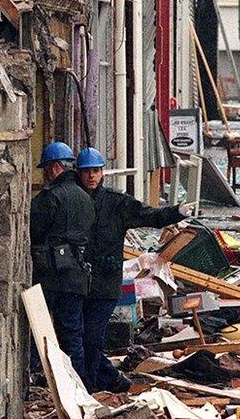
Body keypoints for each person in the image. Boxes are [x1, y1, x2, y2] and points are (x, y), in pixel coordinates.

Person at [76, 147, 196, 392]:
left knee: (91, 338)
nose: (91, 176)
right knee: (80, 339)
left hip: (105, 284)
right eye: (87, 171)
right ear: (78, 173)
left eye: (96, 171)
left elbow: (147, 215)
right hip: (78, 283)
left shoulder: (115, 202)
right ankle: (109, 381)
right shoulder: (72, 200)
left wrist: (175, 212)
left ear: (103, 173)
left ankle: (95, 385)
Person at [30, 141, 96, 388]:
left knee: (40, 333)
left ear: (55, 167)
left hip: (49, 277)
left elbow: (32, 230)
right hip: (76, 277)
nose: (45, 174)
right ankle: (79, 389)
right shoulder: (87, 199)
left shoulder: (49, 198)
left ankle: (35, 385)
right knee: (73, 337)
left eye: (46, 169)